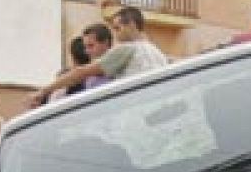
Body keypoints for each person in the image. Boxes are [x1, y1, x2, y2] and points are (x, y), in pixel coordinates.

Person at [28, 7, 168, 106]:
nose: (115, 34)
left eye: (117, 28)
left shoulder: (127, 49)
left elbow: (80, 73)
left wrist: (43, 91)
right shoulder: (158, 53)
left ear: (131, 25)